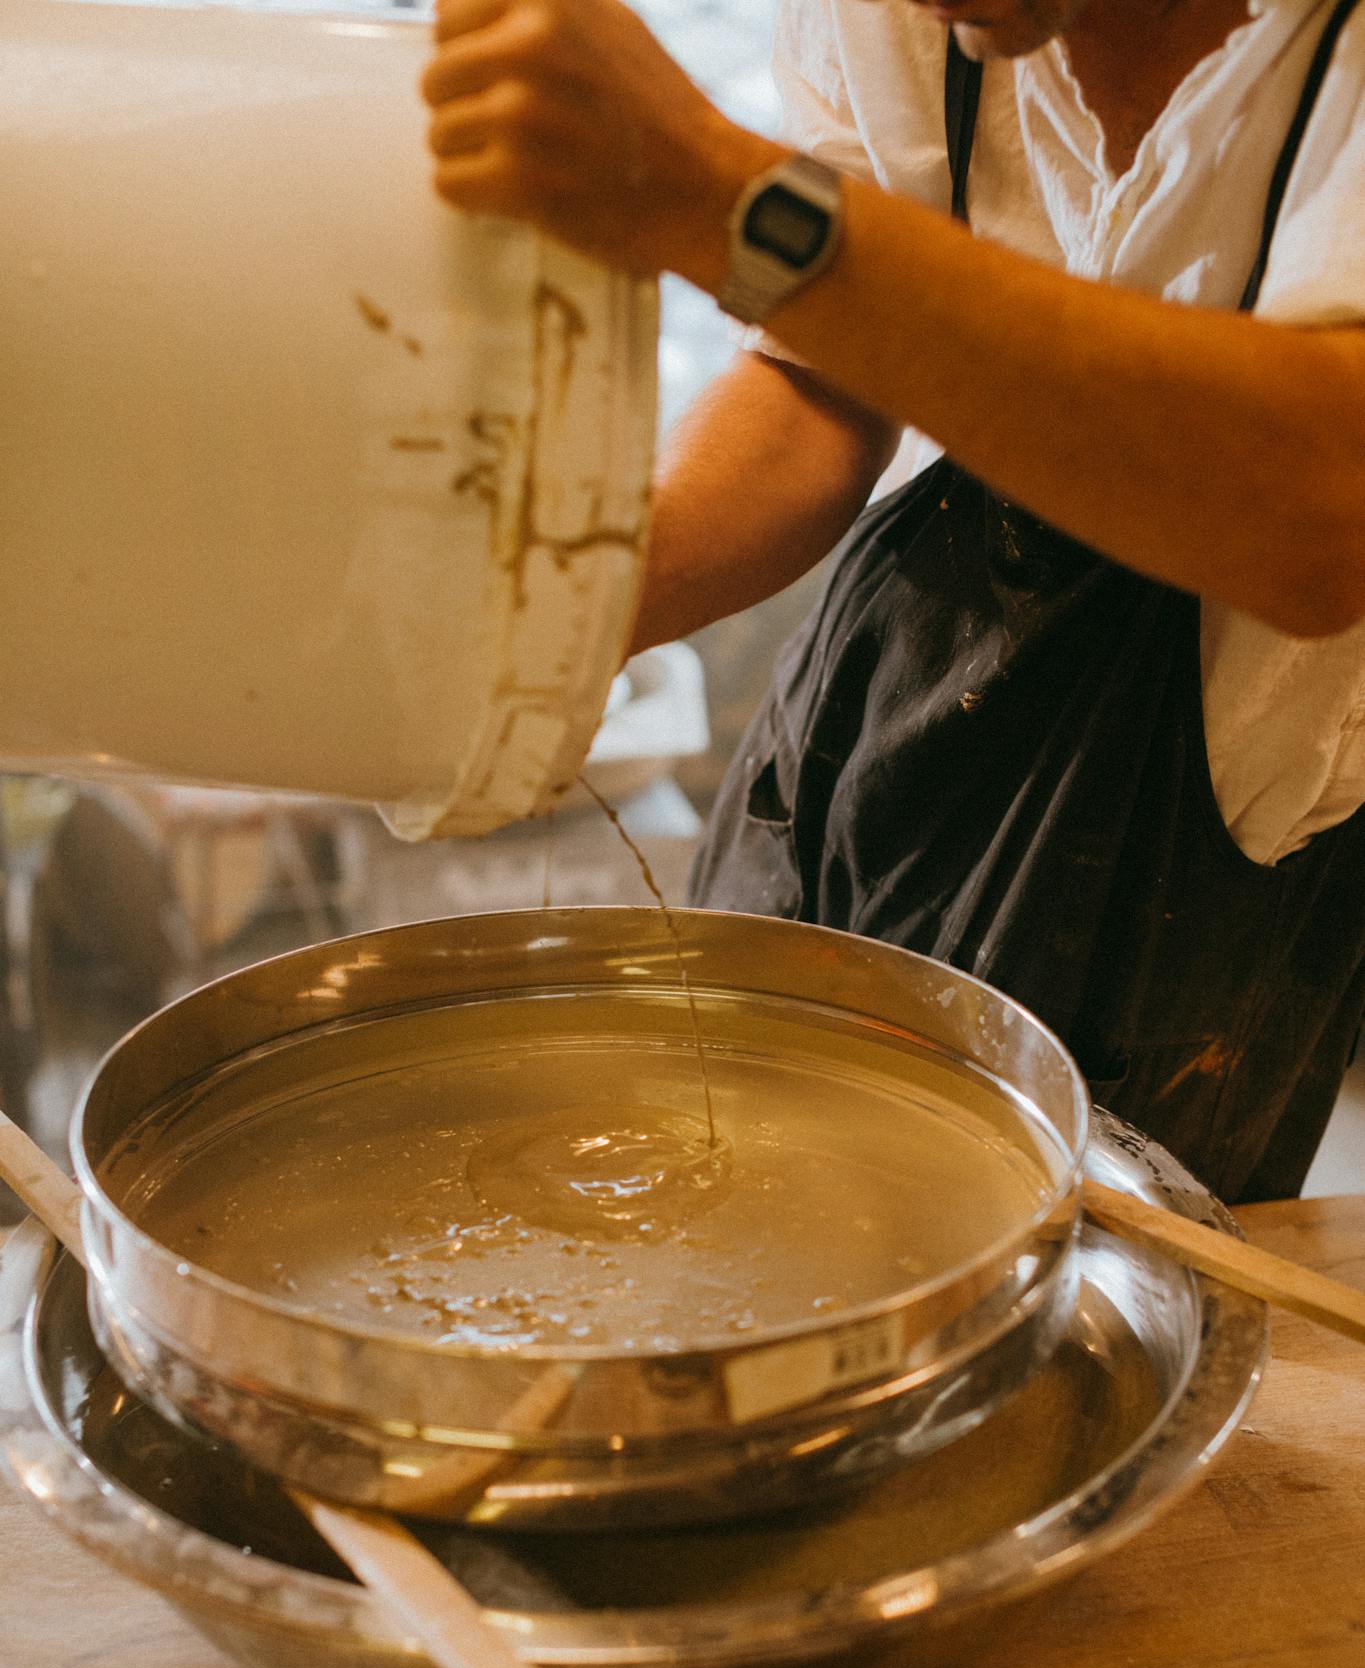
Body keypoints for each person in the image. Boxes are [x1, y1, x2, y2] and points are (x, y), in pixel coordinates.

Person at [422, 0, 1365, 1201]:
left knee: (1053, 1319)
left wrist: (716, 192)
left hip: (1192, 863)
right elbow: (822, 374)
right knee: (723, 1197)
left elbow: (1317, 517)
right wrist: (578, 602)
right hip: (888, 701)